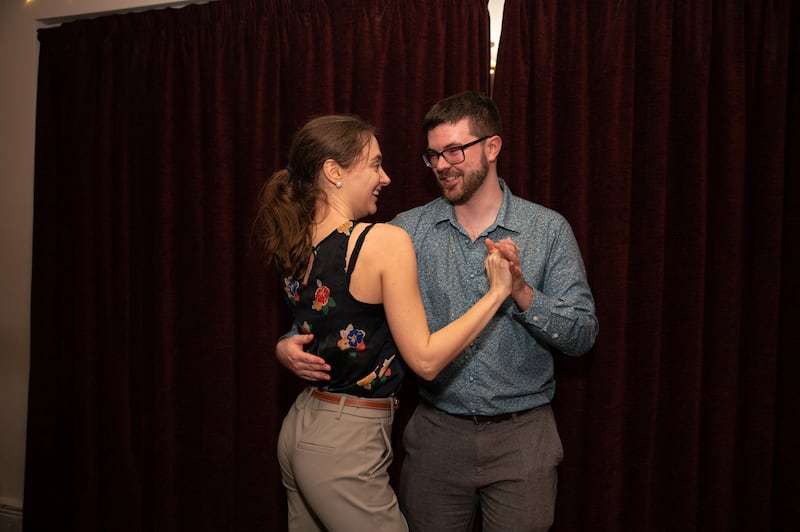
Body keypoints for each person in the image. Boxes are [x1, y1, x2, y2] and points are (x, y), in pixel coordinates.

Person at [276, 92, 599, 531]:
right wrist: (285, 343)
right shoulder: (405, 229)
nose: (442, 164)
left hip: (522, 436)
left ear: (492, 147)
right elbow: (338, 302)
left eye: (454, 151)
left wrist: (521, 293)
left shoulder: (547, 229)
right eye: (433, 155)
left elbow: (581, 334)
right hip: (435, 436)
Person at [255, 114, 512, 532]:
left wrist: (282, 345)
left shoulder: (296, 239)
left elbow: (327, 321)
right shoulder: (383, 241)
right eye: (375, 164)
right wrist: (497, 292)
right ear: (334, 172)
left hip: (301, 426)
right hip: (345, 441)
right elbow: (426, 362)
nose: (387, 177)